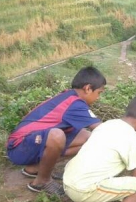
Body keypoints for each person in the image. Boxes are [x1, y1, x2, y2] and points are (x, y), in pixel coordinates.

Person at [6, 66, 105, 195]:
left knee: (88, 138)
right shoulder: (74, 104)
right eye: (99, 93)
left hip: (29, 143)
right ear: (87, 88)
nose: (98, 97)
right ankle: (42, 181)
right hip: (19, 147)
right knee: (56, 136)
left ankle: (35, 168)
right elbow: (103, 129)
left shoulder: (70, 97)